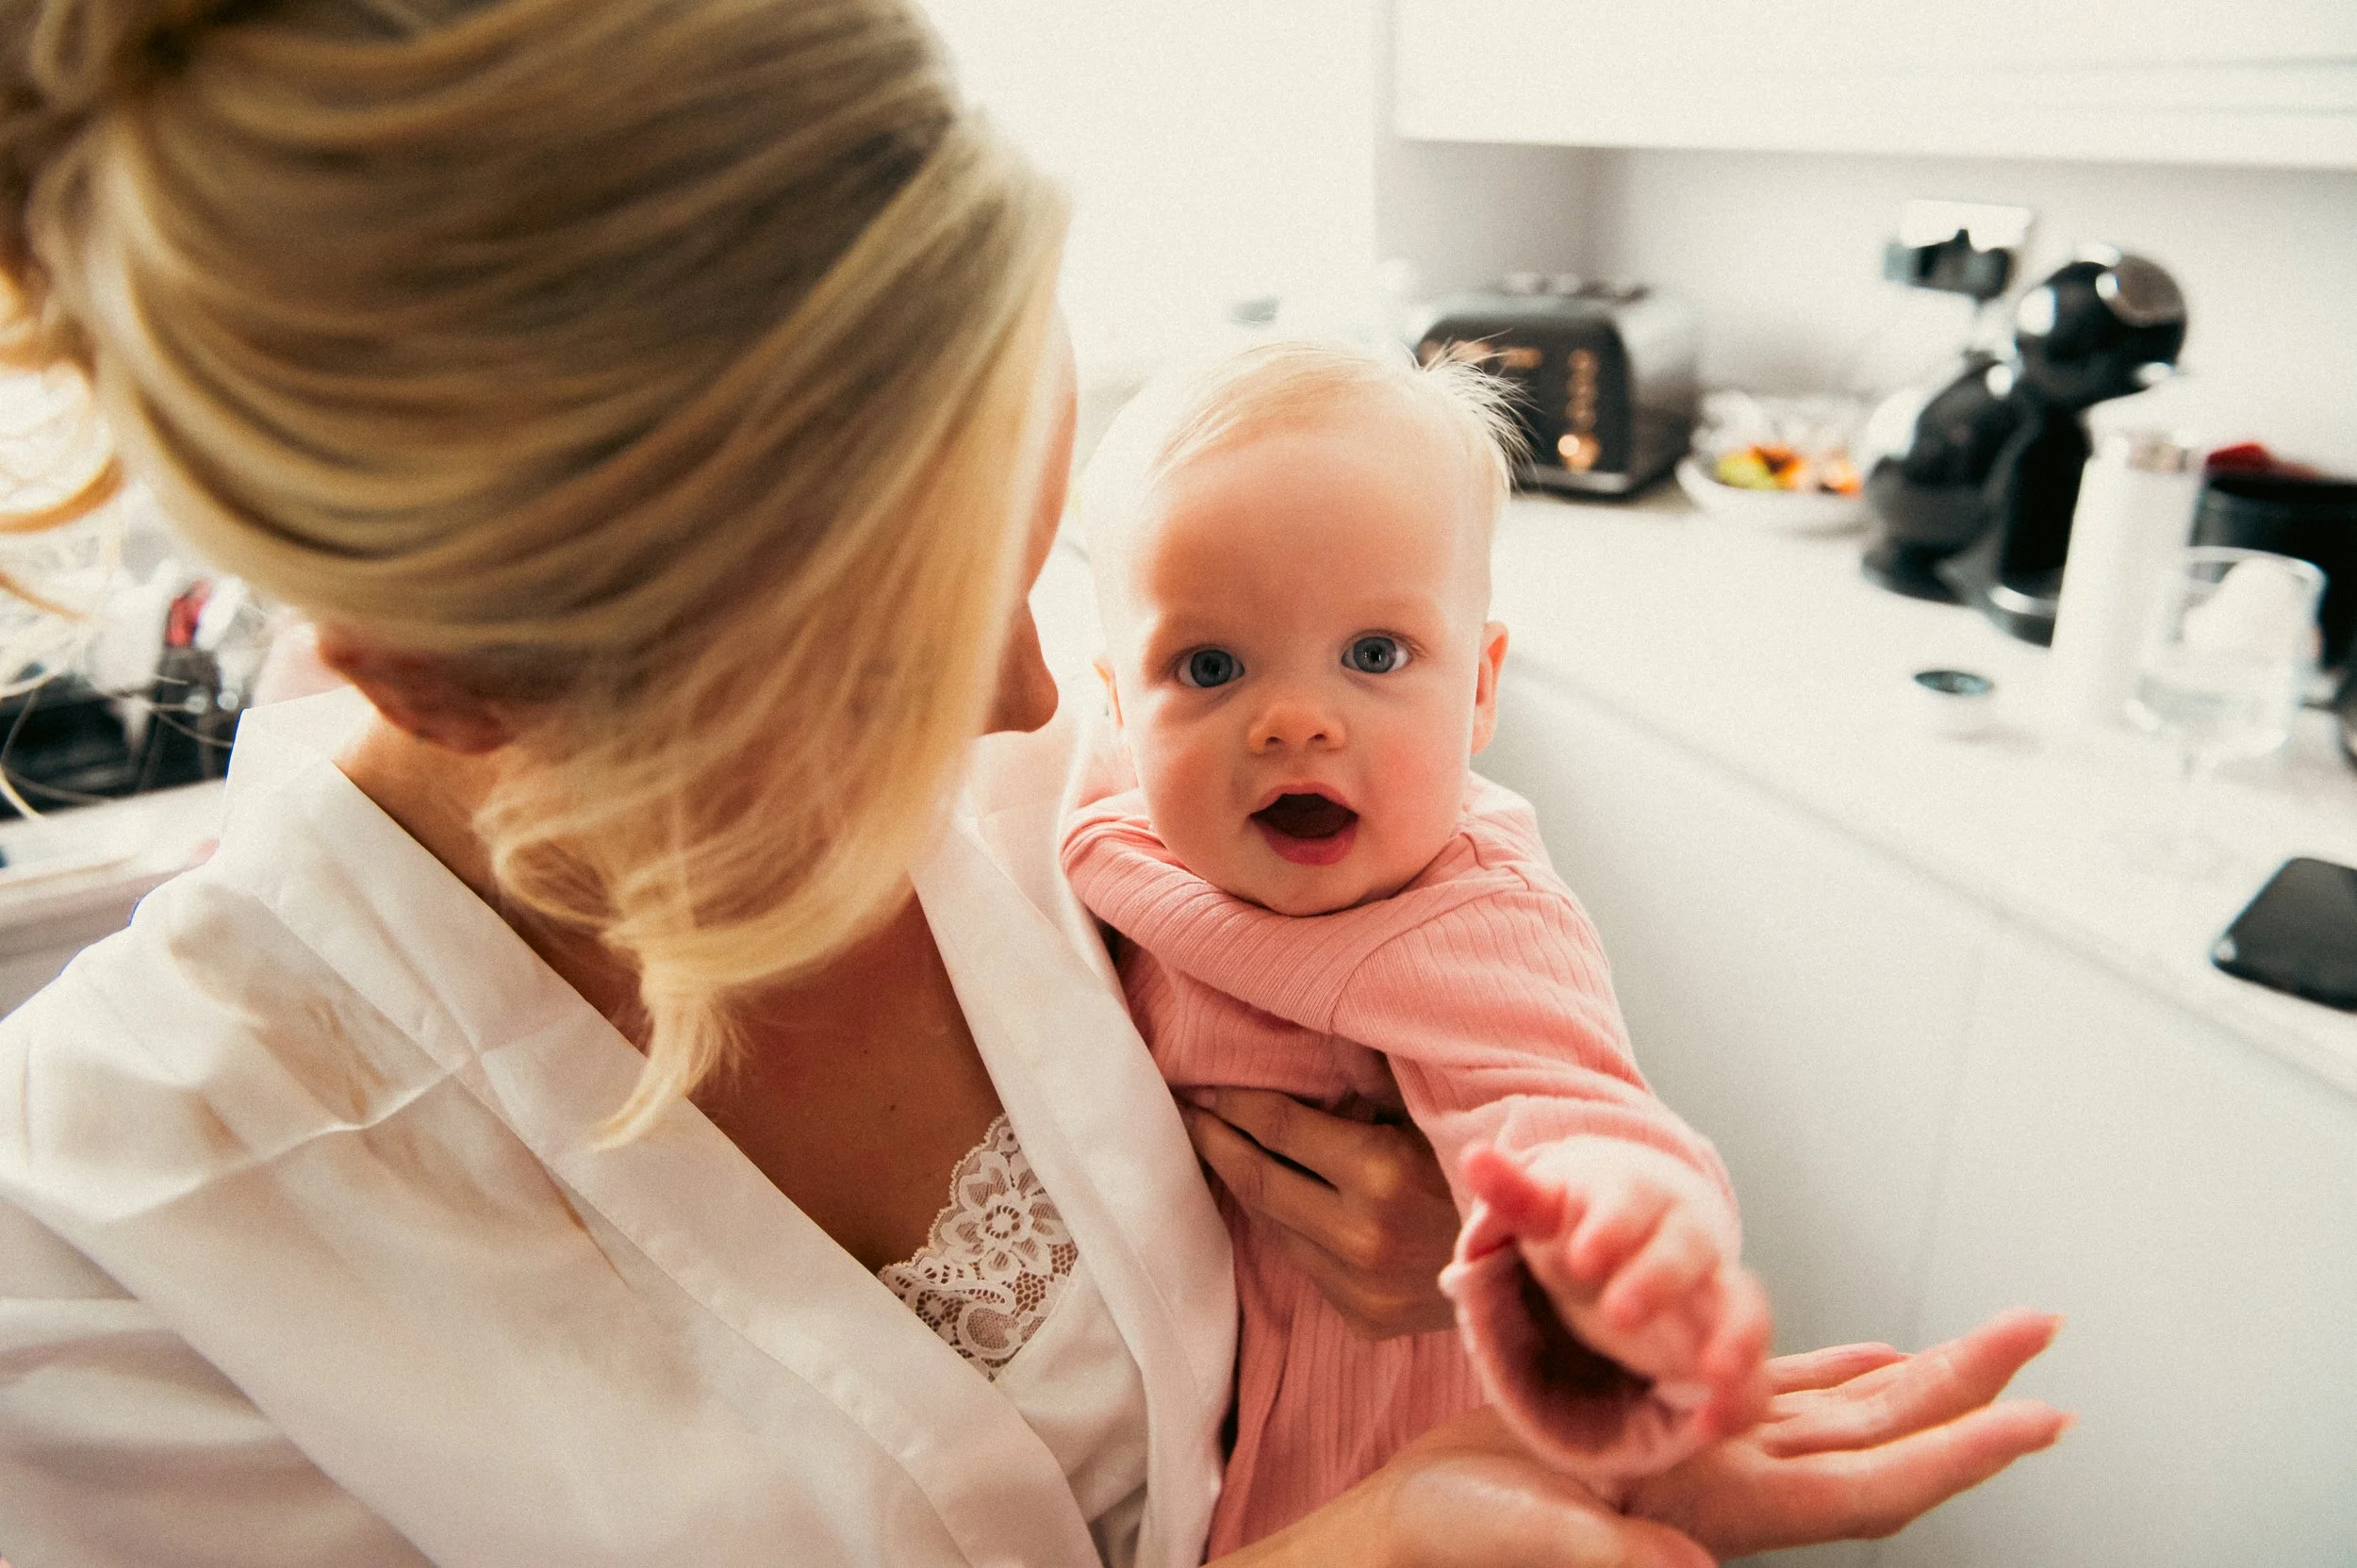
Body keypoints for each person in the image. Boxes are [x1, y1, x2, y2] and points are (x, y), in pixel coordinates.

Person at [0, 1, 2067, 1564]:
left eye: (1040, 561)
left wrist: (1474, 1241)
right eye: (892, 652)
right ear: (455, 681)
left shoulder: (1125, 793)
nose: (1026, 706)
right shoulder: (108, 1273)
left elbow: (1460, 937)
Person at [1061, 341, 1768, 1551]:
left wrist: (1614, 1230)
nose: (1296, 719)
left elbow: (1567, 1106)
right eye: (1210, 666)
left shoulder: (1466, 912)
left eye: (1375, 655)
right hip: (1204, 1449)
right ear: (1119, 707)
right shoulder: (1116, 846)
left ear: (1482, 689)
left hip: (1395, 1448)